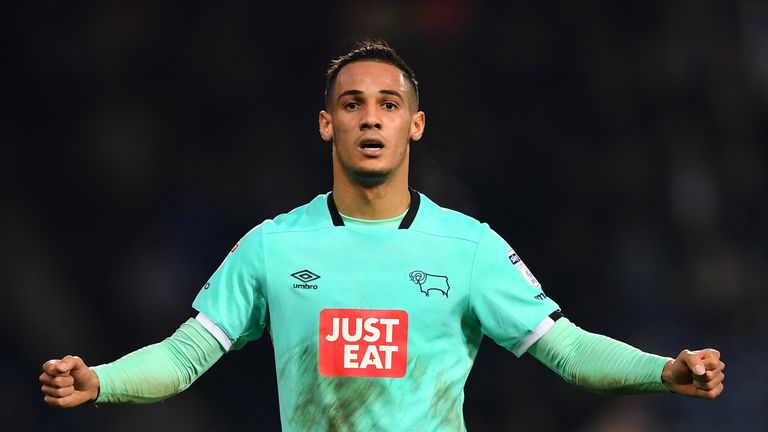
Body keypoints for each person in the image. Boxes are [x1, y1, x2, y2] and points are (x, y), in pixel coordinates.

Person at [40, 39, 725, 431]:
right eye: (352, 103)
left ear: (414, 127)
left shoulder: (471, 248)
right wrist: (100, 380)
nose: (371, 118)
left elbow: (569, 349)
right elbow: (182, 357)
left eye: (388, 105)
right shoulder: (273, 246)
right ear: (325, 125)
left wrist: (661, 372)